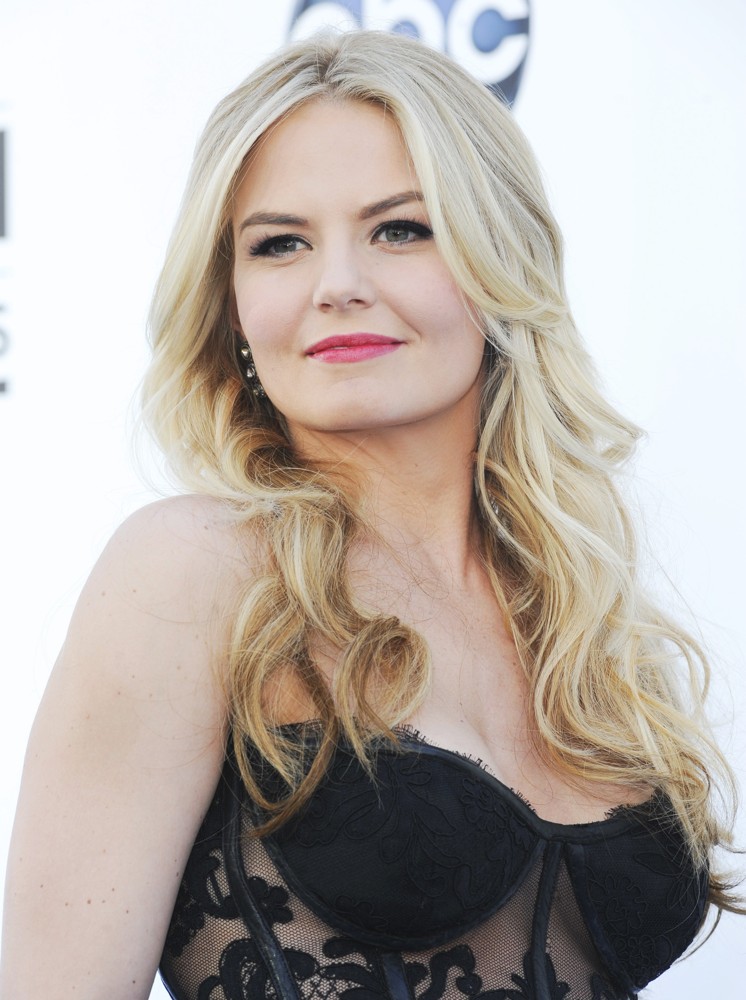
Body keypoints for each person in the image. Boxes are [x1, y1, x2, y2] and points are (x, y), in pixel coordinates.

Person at [0, 29, 741, 1000]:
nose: (337, 284)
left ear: (496, 259)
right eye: (280, 244)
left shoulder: (571, 613)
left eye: (399, 230)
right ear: (232, 305)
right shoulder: (198, 572)